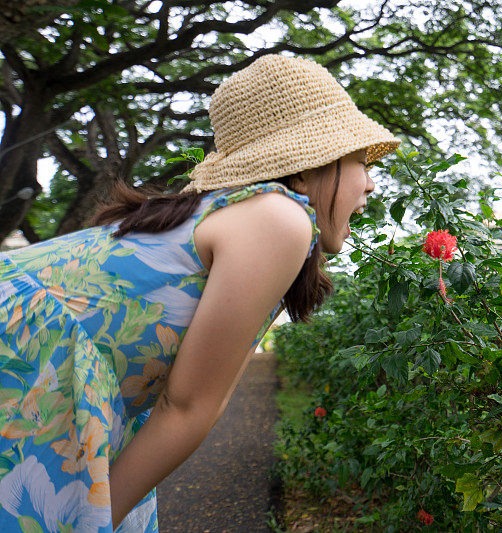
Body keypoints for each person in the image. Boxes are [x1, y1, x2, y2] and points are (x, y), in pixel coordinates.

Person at [0, 54, 400, 532]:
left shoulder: (231, 212)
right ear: (314, 160)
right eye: (360, 159)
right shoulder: (278, 218)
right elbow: (186, 407)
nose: (371, 183)